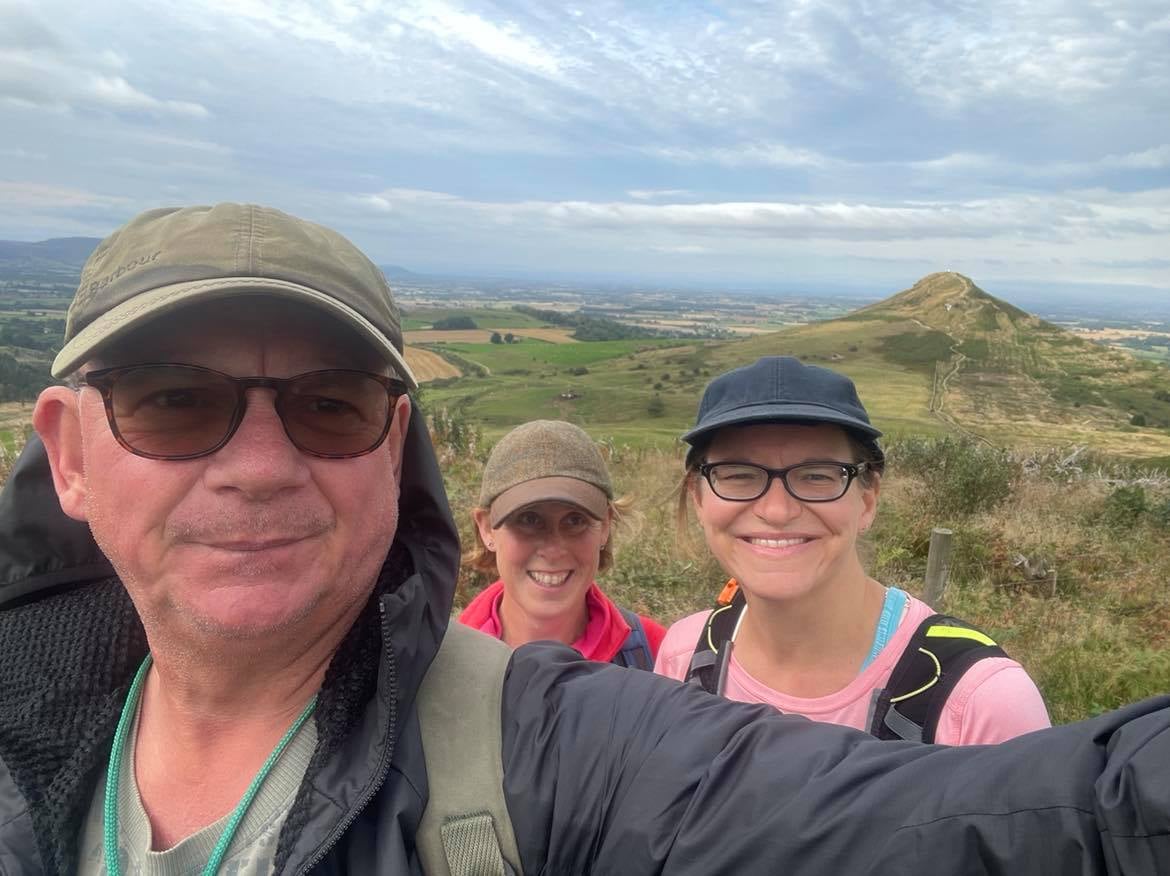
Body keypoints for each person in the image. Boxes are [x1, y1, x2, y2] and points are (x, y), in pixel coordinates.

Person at [0, 203, 1167, 876]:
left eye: (329, 406)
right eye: (173, 403)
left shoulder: (551, 738)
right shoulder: (25, 718)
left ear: (394, 447)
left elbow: (998, 821)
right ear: (70, 451)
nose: (259, 465)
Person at [655, 356, 1050, 744]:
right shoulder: (684, 657)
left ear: (868, 499)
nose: (777, 511)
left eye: (816, 476)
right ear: (699, 498)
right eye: (739, 475)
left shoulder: (981, 703)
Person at [460, 419, 665, 667]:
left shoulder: (662, 656)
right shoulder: (439, 662)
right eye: (529, 519)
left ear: (605, 525)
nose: (553, 550)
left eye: (575, 520)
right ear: (486, 528)